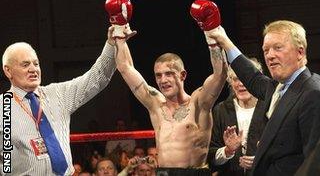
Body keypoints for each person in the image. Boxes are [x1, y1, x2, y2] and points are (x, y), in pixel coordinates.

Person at [0, 26, 117, 175]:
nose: (33, 69)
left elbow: (96, 79)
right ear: (8, 71)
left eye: (36, 64)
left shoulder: (57, 93)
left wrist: (112, 44)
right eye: (25, 64)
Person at [208, 20, 320, 175]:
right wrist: (225, 41)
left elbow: (314, 162)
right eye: (266, 50)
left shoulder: (313, 93)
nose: (270, 55)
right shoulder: (278, 87)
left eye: (278, 48)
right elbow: (251, 76)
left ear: (300, 52)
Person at [114, 29, 228, 175]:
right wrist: (119, 34)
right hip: (163, 173)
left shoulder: (198, 103)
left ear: (182, 75)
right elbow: (125, 68)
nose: (163, 80)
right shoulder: (155, 104)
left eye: (169, 74)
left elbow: (220, 74)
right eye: (158, 75)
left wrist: (211, 36)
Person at [209, 58, 268, 176]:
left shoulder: (270, 108)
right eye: (236, 79)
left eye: (246, 78)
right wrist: (228, 151)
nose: (241, 83)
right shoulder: (221, 110)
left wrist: (261, 159)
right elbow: (210, 155)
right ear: (230, 82)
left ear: (256, 81)